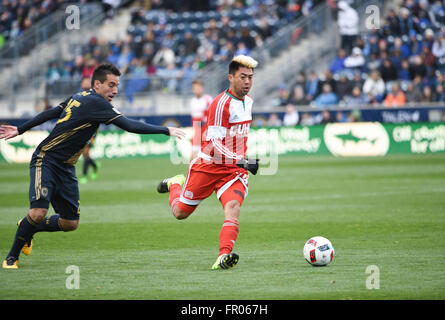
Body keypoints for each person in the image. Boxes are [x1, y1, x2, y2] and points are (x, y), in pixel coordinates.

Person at [1, 63, 186, 269]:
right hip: (46, 159)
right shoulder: (97, 103)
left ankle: (28, 228)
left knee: (70, 223)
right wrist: (165, 130)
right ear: (97, 84)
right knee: (37, 213)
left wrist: (20, 128)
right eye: (111, 85)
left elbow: (54, 111)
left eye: (117, 86)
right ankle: (11, 258)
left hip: (67, 167)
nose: (115, 90)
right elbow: (130, 125)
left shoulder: (81, 95)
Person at [156, 55, 259, 270]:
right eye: (243, 77)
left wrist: (239, 161)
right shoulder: (220, 105)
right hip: (208, 166)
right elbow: (212, 144)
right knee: (180, 213)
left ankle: (223, 256)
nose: (248, 81)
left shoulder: (248, 102)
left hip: (233, 172)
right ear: (230, 77)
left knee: (232, 208)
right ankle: (176, 183)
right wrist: (239, 159)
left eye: (250, 77)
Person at [190, 79, 213, 159]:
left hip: (206, 130)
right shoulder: (193, 101)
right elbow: (193, 118)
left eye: (199, 88)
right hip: (197, 130)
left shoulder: (208, 99)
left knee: (208, 155)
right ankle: (192, 170)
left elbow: (212, 115)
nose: (197, 90)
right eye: (195, 88)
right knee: (194, 154)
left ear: (202, 88)